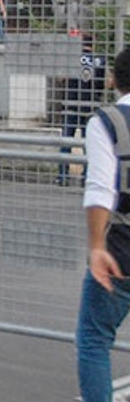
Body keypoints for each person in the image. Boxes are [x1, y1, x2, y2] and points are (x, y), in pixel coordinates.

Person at [75, 46, 130, 402]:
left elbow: (100, 189)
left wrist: (97, 246)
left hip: (123, 245)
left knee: (94, 339)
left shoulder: (108, 121)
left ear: (113, 79)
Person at [59, 35, 107, 186]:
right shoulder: (100, 60)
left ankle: (62, 176)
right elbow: (106, 83)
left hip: (71, 105)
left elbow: (61, 78)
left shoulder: (71, 58)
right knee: (89, 144)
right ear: (93, 44)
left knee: (66, 143)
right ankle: (86, 177)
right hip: (90, 106)